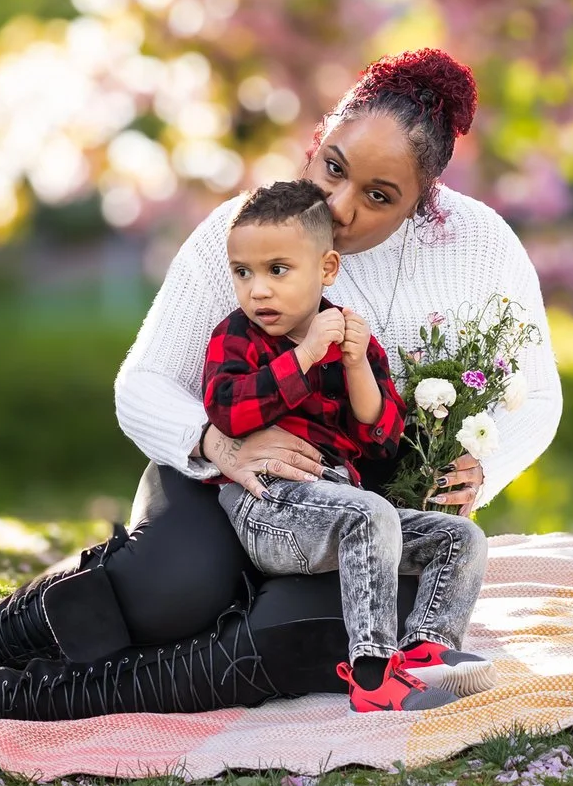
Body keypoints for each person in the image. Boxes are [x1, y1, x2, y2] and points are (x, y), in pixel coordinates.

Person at [0, 48, 561, 743]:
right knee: (172, 590)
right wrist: (220, 444)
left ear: (423, 200)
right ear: (318, 141)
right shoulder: (246, 234)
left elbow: (536, 397)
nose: (341, 205)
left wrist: (481, 467)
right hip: (222, 482)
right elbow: (141, 384)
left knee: (289, 635)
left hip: (360, 511)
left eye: (380, 196)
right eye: (334, 167)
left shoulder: (480, 247)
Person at [205, 178, 487, 713]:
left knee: (459, 537)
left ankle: (425, 651)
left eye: (277, 270)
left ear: (327, 269)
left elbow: (382, 442)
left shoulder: (354, 340)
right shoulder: (237, 336)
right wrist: (304, 356)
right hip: (269, 505)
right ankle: (373, 675)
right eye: (243, 272)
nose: (257, 290)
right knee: (369, 514)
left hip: (342, 507)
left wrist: (355, 366)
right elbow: (227, 411)